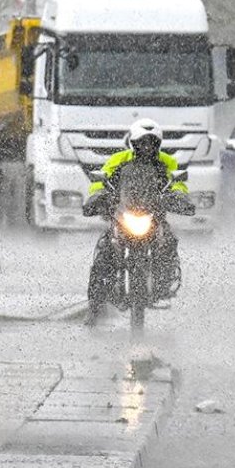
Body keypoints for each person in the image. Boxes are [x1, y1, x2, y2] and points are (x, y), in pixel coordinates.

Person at [82, 119, 193, 324]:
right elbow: (101, 180)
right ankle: (95, 306)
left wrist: (181, 198)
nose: (147, 146)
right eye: (142, 142)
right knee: (105, 251)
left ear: (158, 144)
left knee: (168, 242)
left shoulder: (167, 162)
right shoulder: (119, 159)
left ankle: (163, 282)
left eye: (151, 142)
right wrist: (96, 197)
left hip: (153, 216)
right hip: (124, 214)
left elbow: (177, 184)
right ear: (133, 142)